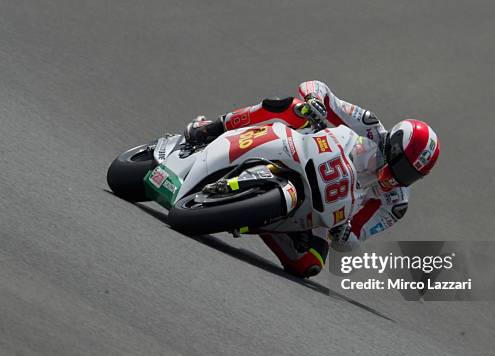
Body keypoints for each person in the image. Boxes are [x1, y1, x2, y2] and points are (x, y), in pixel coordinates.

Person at [184, 80, 440, 278]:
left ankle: (247, 217)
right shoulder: (369, 126)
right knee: (293, 107)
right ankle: (214, 127)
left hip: (329, 205)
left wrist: (344, 233)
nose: (400, 177)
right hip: (309, 150)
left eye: (411, 176)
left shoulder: (395, 204)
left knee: (310, 262)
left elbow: (355, 239)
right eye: (402, 167)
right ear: (394, 146)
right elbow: (319, 89)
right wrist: (314, 100)